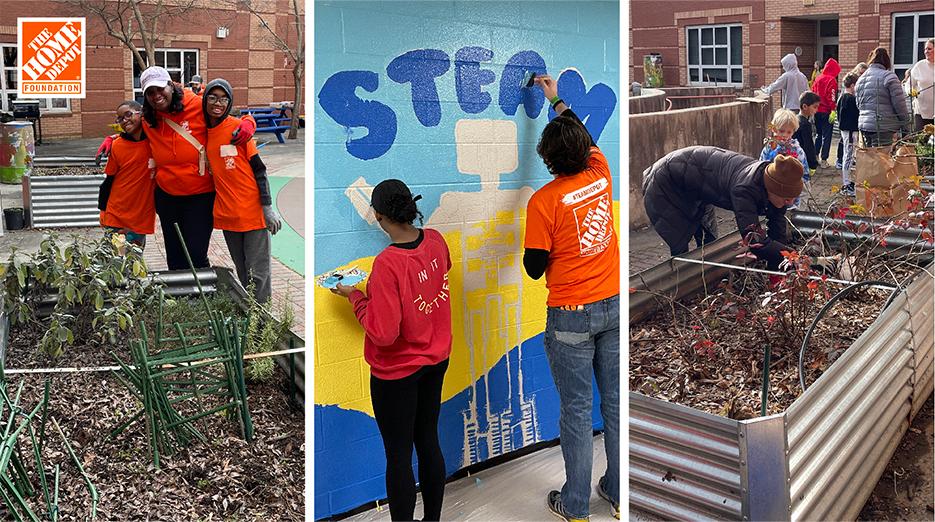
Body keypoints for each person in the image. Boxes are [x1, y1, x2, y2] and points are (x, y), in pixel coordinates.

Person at [523, 74, 619, 521]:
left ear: (547, 158)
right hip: (614, 305)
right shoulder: (600, 171)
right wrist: (554, 97)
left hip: (571, 317)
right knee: (615, 405)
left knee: (578, 413)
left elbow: (534, 267)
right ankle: (618, 493)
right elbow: (579, 128)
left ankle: (576, 507)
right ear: (583, 150)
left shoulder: (543, 202)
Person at [331, 179, 452, 522]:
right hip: (436, 359)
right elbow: (442, 272)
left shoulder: (387, 264)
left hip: (396, 372)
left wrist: (355, 296)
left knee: (398, 455)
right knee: (428, 440)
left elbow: (384, 334)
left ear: (379, 216)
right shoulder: (436, 241)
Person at [138, 66, 256, 270]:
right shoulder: (149, 117)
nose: (156, 96)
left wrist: (249, 123)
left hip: (200, 196)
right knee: (174, 255)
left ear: (170, 86)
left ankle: (203, 299)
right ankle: (181, 299)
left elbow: (228, 114)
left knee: (196, 253)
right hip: (167, 196)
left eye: (160, 89)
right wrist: (112, 141)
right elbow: (129, 128)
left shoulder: (196, 103)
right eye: (150, 92)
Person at [644, 148, 832, 274]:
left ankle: (707, 281)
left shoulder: (771, 181)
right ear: (772, 190)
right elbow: (754, 240)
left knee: (709, 241)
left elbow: (777, 226)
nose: (788, 203)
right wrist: (799, 259)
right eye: (786, 199)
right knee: (680, 244)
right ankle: (678, 292)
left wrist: (779, 269)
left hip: (695, 185)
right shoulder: (745, 189)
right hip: (666, 183)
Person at [202, 79, 281, 302]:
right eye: (213, 97)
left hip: (253, 213)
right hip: (228, 216)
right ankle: (250, 318)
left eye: (223, 98)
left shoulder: (238, 129)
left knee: (259, 274)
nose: (218, 103)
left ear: (229, 102)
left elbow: (260, 170)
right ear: (205, 99)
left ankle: (261, 321)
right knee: (243, 271)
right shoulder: (204, 132)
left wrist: (267, 208)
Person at [98, 100, 155, 249]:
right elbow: (108, 181)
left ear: (141, 113)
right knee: (114, 264)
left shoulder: (155, 141)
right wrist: (103, 210)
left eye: (128, 114)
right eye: (120, 118)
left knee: (134, 263)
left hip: (139, 218)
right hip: (116, 215)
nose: (125, 121)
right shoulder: (117, 146)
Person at [856, 47, 911, 146]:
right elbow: (900, 105)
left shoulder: (861, 79)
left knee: (869, 157)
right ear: (887, 61)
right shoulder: (889, 77)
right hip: (883, 126)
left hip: (864, 125)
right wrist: (906, 126)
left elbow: (859, 105)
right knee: (882, 158)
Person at [761, 108, 809, 208]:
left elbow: (804, 173)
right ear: (774, 129)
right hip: (773, 191)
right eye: (781, 131)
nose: (784, 135)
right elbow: (761, 166)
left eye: (789, 132)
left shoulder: (797, 150)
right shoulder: (770, 148)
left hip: (791, 192)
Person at [812, 57, 841, 168]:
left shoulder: (818, 78)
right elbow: (832, 97)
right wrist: (833, 110)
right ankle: (824, 160)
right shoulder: (831, 80)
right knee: (827, 136)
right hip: (827, 112)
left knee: (818, 135)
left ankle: (815, 156)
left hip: (816, 111)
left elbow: (813, 93)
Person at [837, 73, 860, 196]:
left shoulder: (842, 97)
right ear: (852, 85)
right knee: (848, 155)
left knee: (848, 155)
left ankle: (847, 181)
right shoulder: (850, 99)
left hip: (846, 130)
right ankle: (846, 184)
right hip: (850, 130)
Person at [904, 38, 934, 132]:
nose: (926, 51)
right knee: (921, 142)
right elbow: (908, 84)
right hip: (921, 112)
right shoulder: (919, 66)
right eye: (925, 49)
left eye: (929, 49)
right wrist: (910, 91)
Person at [794, 91, 821, 183]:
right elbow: (808, 145)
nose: (816, 110)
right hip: (802, 160)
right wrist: (813, 163)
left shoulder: (795, 119)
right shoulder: (805, 124)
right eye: (814, 107)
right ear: (805, 106)